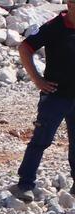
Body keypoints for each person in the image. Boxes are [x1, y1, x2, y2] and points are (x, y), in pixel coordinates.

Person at [11, 6, 75, 202]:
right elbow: (24, 48)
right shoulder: (53, 27)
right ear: (70, 4)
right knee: (41, 140)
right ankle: (25, 184)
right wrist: (37, 80)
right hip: (55, 97)